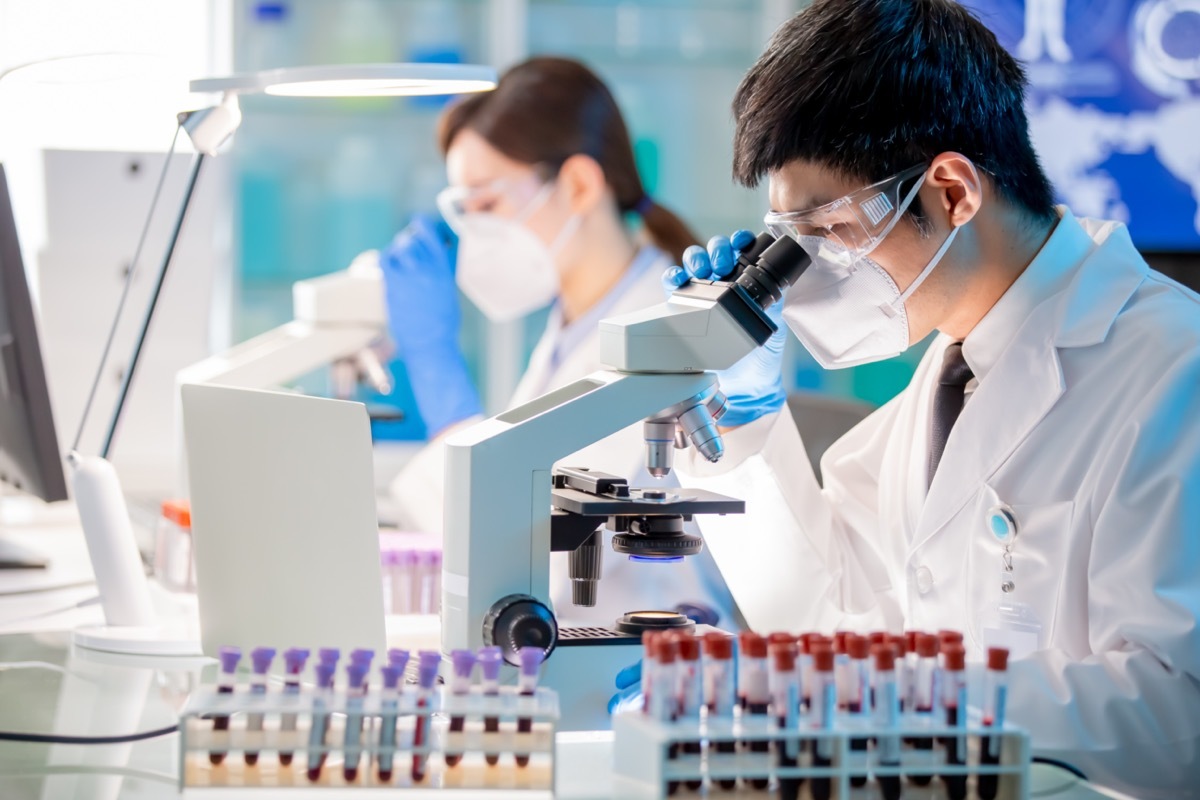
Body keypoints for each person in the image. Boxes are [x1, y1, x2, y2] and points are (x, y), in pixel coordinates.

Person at [637, 0, 1200, 794]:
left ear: (951, 191)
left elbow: (1177, 716)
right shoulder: (926, 403)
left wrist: (899, 697)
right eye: (788, 243)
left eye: (824, 232)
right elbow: (826, 626)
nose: (805, 277)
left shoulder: (1177, 374)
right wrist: (745, 433)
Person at [381, 57, 735, 627]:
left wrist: (437, 370)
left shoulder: (662, 333)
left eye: (487, 204)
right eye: (463, 212)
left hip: (642, 668)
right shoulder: (575, 323)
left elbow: (527, 558)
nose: (475, 236)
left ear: (577, 185)